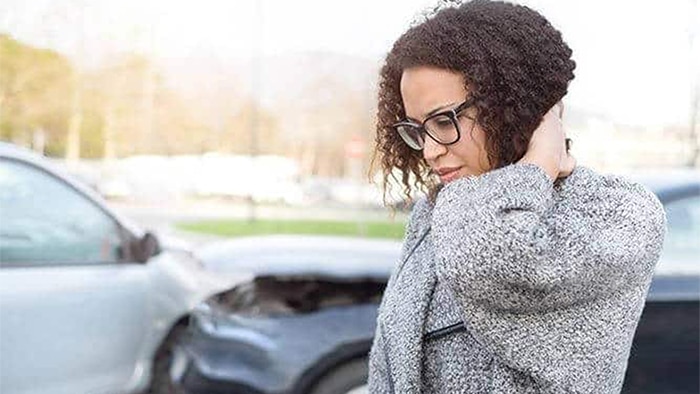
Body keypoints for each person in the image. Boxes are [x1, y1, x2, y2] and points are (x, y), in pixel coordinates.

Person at [367, 1, 667, 393]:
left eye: (444, 121)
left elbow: (492, 261)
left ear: (513, 106)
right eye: (417, 129)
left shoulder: (619, 212)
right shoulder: (436, 211)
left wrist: (537, 164)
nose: (428, 150)